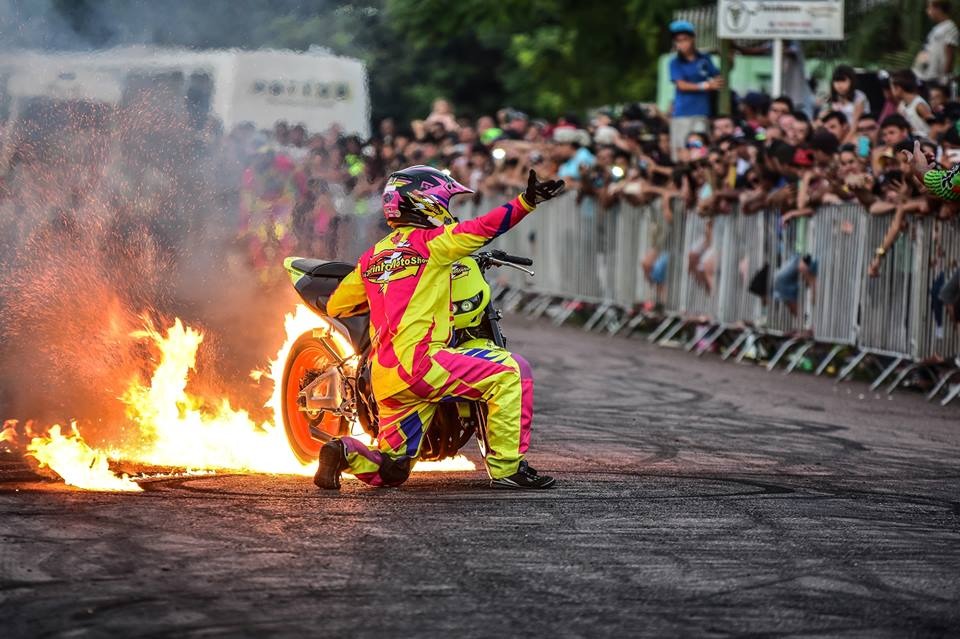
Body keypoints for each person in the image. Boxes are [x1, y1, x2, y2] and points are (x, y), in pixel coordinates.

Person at [314, 165, 565, 490]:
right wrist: (526, 202)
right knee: (512, 372)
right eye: (445, 202)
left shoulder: (372, 256)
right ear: (425, 202)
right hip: (423, 365)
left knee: (393, 469)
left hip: (387, 376)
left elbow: (337, 306)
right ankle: (507, 469)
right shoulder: (431, 244)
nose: (448, 210)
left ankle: (342, 451)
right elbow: (485, 227)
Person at [668, 20, 723, 160]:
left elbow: (717, 77)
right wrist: (704, 86)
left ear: (692, 39)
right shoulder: (675, 63)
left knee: (700, 151)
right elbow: (681, 85)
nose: (682, 44)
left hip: (701, 113)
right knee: (682, 153)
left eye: (685, 39)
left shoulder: (704, 59)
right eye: (678, 41)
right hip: (682, 114)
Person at [914, 0, 959, 85]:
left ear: (938, 9)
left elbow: (949, 55)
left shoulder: (950, 27)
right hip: (925, 76)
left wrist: (945, 77)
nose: (927, 11)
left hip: (936, 79)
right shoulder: (936, 28)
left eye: (929, 8)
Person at [890, 69, 933, 137]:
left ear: (898, 88)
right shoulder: (901, 106)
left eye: (891, 87)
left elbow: (934, 126)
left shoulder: (919, 105)